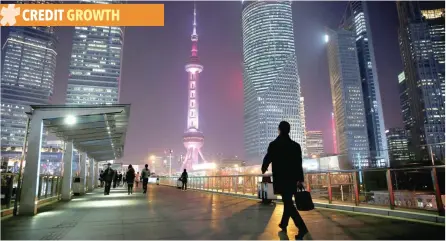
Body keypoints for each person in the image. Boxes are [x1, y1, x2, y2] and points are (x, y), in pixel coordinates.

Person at [261, 121, 308, 240]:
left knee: (287, 202)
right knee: (287, 201)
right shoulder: (295, 146)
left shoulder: (274, 144)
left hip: (281, 179)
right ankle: (283, 223)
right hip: (292, 180)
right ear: (289, 130)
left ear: (279, 130)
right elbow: (299, 164)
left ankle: (302, 227)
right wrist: (300, 179)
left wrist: (264, 167)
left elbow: (268, 158)